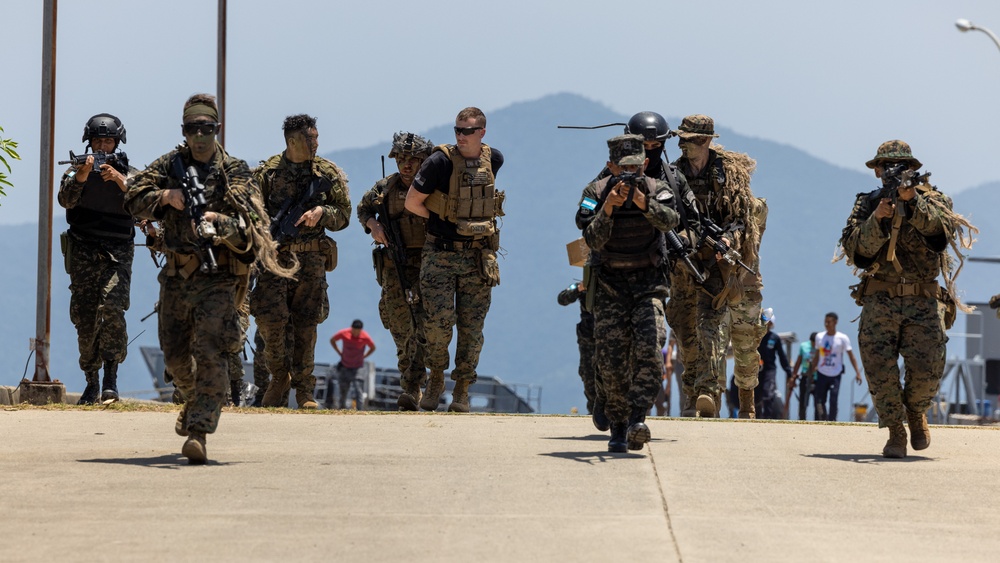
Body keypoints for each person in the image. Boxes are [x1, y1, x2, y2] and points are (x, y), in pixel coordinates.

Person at [125, 93, 294, 463]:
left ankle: (199, 431)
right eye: (192, 129)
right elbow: (132, 197)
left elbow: (254, 231)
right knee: (175, 357)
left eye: (206, 129)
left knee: (212, 352)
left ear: (217, 130)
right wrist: (165, 196)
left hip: (218, 278)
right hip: (177, 275)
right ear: (183, 131)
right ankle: (191, 400)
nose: (199, 136)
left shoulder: (234, 171)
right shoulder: (169, 165)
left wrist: (221, 224)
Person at [840, 140, 975, 458]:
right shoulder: (867, 203)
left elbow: (941, 238)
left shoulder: (935, 200)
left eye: (901, 166)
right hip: (880, 299)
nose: (892, 171)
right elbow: (856, 252)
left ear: (914, 170)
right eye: (885, 165)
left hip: (922, 300)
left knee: (927, 370)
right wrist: (879, 218)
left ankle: (916, 413)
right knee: (880, 370)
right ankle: (896, 431)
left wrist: (912, 204)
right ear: (876, 170)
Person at [575, 134, 682, 453]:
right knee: (610, 359)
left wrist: (642, 203)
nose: (628, 174)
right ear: (609, 166)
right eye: (622, 169)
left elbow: (670, 221)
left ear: (645, 165)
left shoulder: (656, 189)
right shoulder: (594, 193)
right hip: (610, 285)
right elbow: (589, 237)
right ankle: (618, 427)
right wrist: (607, 208)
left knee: (650, 347)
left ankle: (638, 418)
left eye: (635, 168)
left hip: (648, 284)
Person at [404, 107, 504, 413]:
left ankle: (462, 388)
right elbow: (412, 202)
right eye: (457, 130)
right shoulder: (439, 161)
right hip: (440, 255)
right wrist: (444, 221)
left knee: (473, 327)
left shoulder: (494, 159)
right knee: (436, 324)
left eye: (467, 131)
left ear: (482, 133)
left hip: (477, 255)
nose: (460, 136)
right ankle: (435, 377)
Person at [666, 114, 766, 419]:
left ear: (707, 141)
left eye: (691, 140)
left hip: (729, 269)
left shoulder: (729, 174)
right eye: (680, 139)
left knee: (742, 341)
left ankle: (741, 395)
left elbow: (742, 220)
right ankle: (697, 395)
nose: (684, 145)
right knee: (690, 334)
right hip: (688, 267)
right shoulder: (672, 174)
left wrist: (728, 241)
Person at [252, 114, 351, 410]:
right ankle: (279, 376)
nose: (316, 144)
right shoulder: (267, 174)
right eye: (311, 139)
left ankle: (304, 390)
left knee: (307, 323)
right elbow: (252, 212)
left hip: (310, 258)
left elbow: (343, 214)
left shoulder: (327, 173)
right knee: (270, 321)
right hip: (275, 258)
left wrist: (322, 212)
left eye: (317, 138)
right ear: (293, 141)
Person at [57, 113, 137, 405]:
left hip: (118, 252)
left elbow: (145, 203)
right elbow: (65, 200)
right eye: (98, 141)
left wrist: (118, 179)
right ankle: (91, 381)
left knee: (113, 308)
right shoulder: (76, 172)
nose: (103, 147)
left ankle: (111, 380)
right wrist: (80, 176)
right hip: (84, 250)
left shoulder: (131, 174)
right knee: (86, 316)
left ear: (117, 143)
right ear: (89, 143)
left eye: (108, 141)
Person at [358, 132, 433, 411]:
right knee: (401, 327)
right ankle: (410, 387)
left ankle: (430, 383)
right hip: (394, 267)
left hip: (429, 266)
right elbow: (363, 209)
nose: (406, 165)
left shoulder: (435, 188)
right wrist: (373, 226)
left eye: (413, 159)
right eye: (401, 159)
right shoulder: (384, 189)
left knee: (428, 327)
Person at [805, 312, 862, 422]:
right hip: (822, 373)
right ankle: (822, 418)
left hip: (835, 374)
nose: (827, 324)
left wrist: (858, 373)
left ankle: (832, 421)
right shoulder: (820, 337)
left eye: (829, 322)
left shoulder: (842, 338)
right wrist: (811, 372)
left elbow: (851, 356)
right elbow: (817, 355)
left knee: (833, 398)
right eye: (825, 322)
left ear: (835, 322)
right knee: (820, 399)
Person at [557, 280, 595, 414]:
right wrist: (579, 289)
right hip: (588, 338)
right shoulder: (581, 285)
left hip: (610, 336)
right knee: (588, 375)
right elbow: (562, 298)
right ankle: (594, 413)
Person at [330, 320, 376, 409]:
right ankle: (341, 409)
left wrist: (365, 355)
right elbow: (332, 340)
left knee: (358, 389)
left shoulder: (365, 337)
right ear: (351, 328)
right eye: (354, 330)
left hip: (358, 367)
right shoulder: (344, 333)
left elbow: (373, 347)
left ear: (361, 330)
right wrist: (339, 352)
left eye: (357, 330)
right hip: (345, 366)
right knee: (343, 390)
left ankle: (360, 411)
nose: (355, 332)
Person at [755, 309, 791, 419]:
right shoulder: (756, 337)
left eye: (769, 322)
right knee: (756, 394)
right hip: (756, 370)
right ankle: (756, 417)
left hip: (769, 370)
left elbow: (782, 356)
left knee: (768, 392)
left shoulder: (774, 338)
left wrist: (789, 371)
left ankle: (767, 417)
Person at [789, 331, 818, 420]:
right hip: (805, 376)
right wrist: (793, 376)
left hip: (817, 378)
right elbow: (798, 361)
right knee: (803, 401)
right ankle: (802, 419)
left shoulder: (821, 348)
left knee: (818, 402)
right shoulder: (804, 346)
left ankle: (819, 420)